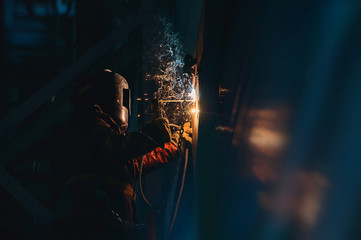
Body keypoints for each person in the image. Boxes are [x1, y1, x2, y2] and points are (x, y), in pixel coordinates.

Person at [51, 69, 186, 239]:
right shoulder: (87, 123)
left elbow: (135, 162)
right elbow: (118, 147)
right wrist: (155, 133)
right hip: (87, 221)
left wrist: (173, 144)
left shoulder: (104, 143)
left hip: (104, 222)